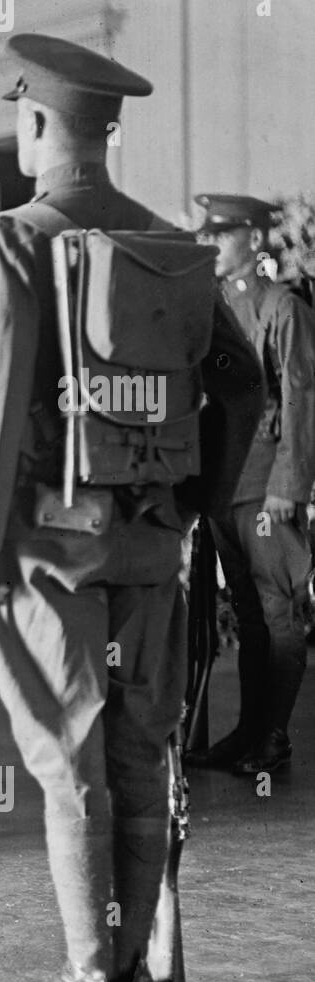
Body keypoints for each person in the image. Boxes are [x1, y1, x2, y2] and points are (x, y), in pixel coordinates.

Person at [0, 34, 264, 982]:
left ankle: (93, 973)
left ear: (37, 123)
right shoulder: (170, 244)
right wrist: (194, 498)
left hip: (47, 551)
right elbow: (242, 382)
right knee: (138, 753)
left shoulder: (16, 237)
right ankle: (130, 969)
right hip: (148, 543)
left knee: (66, 762)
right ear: (108, 131)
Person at [189, 195, 315, 775]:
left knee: (279, 607)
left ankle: (273, 736)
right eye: (207, 234)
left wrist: (290, 484)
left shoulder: (281, 307)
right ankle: (249, 731)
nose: (211, 243)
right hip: (225, 485)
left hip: (267, 484)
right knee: (246, 612)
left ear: (255, 240)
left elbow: (301, 399)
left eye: (224, 234)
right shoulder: (211, 309)